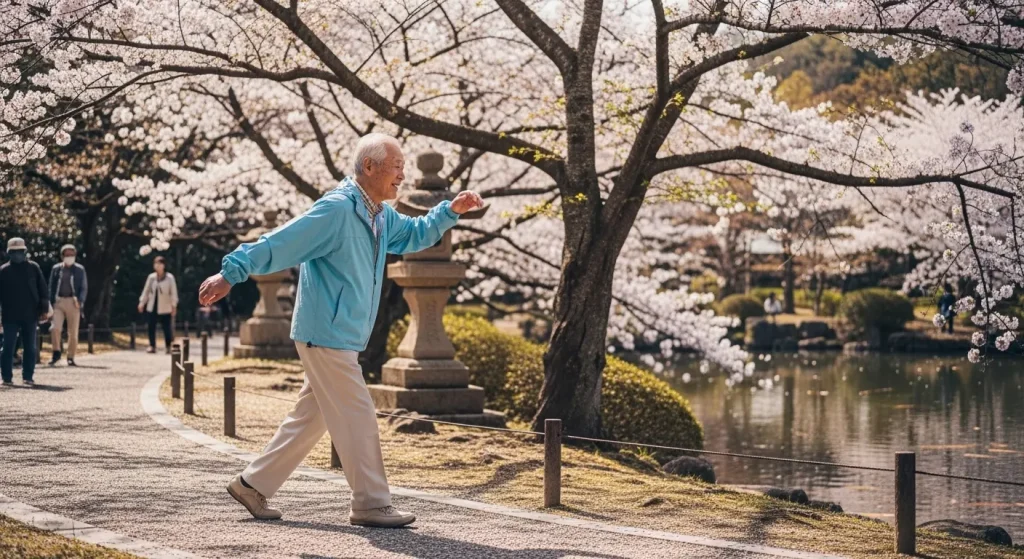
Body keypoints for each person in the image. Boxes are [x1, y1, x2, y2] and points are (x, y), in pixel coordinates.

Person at [199, 133, 483, 528]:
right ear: (369, 167)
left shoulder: (380, 215)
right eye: (396, 167)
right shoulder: (336, 210)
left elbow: (415, 234)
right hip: (325, 333)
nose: (402, 176)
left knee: (310, 419)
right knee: (358, 413)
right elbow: (282, 242)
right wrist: (232, 272)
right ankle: (370, 502)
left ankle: (252, 485)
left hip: (339, 334)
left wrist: (449, 211)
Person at [0, 238, 50, 386]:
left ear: (25, 251)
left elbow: (43, 289)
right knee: (7, 347)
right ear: (8, 253)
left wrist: (44, 309)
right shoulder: (3, 271)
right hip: (9, 315)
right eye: (14, 252)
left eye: (20, 251)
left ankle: (28, 376)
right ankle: (6, 377)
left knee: (30, 347)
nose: (17, 255)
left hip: (31, 314)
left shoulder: (34, 267)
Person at [49, 244, 87, 366]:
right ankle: (56, 353)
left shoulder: (80, 269)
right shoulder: (56, 269)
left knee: (73, 331)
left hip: (73, 302)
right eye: (67, 255)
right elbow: (51, 286)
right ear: (62, 256)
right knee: (55, 328)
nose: (69, 257)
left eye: (72, 254)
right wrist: (50, 302)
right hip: (58, 301)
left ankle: (70, 356)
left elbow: (83, 287)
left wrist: (80, 300)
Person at [138, 256, 178, 354]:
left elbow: (173, 292)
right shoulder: (151, 277)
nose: (158, 266)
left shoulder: (169, 278)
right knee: (151, 326)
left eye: (160, 264)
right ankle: (152, 345)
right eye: (156, 264)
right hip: (152, 306)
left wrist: (174, 305)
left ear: (164, 265)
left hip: (165, 306)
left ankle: (168, 346)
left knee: (166, 328)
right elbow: (146, 291)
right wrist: (142, 303)